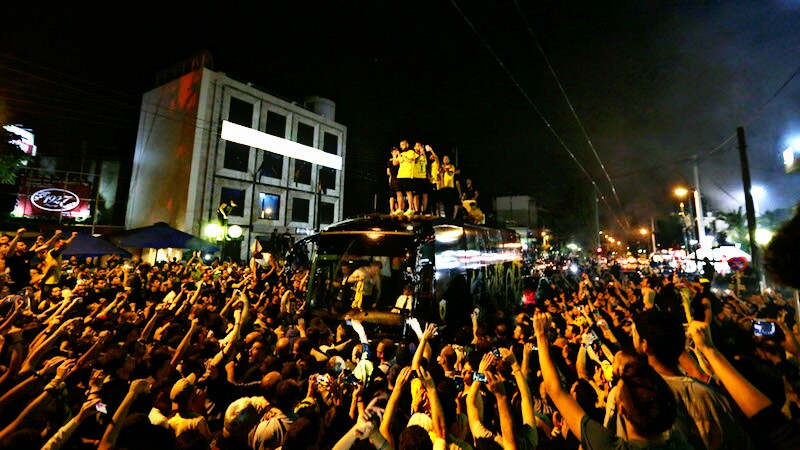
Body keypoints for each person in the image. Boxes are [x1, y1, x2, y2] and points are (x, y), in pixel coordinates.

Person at [533, 312, 691, 449]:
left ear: (621, 409)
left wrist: (541, 336)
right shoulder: (687, 445)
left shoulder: (608, 445)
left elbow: (556, 391)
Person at [396, 140, 417, 216]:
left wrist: (402, 156)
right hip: (400, 175)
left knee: (408, 192)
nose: (401, 146)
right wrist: (395, 155)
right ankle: (400, 209)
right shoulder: (401, 154)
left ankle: (411, 209)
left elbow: (410, 160)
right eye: (400, 145)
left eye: (403, 144)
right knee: (398, 192)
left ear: (407, 145)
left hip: (408, 175)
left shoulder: (411, 152)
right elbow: (395, 163)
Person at [387, 147, 403, 215]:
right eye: (393, 152)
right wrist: (390, 176)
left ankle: (400, 208)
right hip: (393, 178)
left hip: (399, 177)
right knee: (392, 195)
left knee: (399, 193)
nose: (395, 153)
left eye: (395, 151)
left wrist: (398, 155)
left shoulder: (400, 159)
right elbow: (388, 171)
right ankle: (392, 210)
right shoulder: (390, 161)